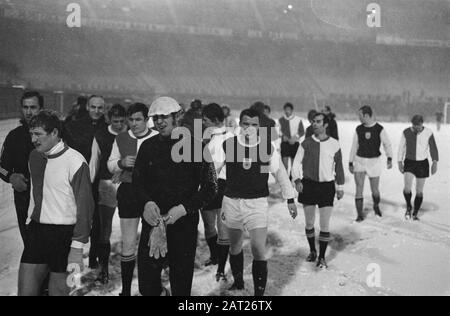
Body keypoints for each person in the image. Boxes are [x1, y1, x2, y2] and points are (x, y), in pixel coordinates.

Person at [132, 96, 218, 296]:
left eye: (164, 117)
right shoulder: (148, 147)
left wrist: (184, 209)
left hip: (183, 225)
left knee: (181, 284)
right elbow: (137, 183)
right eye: (155, 118)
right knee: (147, 285)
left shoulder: (197, 147)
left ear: (176, 116)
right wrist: (146, 203)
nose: (159, 122)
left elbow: (210, 187)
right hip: (153, 222)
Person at [215, 108, 297, 296]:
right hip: (232, 202)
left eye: (254, 124)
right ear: (240, 124)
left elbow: (281, 174)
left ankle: (259, 296)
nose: (249, 128)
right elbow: (213, 170)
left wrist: (290, 198)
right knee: (235, 246)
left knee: (259, 250)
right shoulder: (229, 145)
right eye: (246, 124)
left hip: (257, 203)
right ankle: (238, 282)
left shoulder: (267, 148)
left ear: (259, 126)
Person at [18, 110, 94, 296]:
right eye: (31, 134)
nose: (34, 139)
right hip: (38, 233)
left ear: (54, 133)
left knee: (59, 292)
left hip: (65, 237)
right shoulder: (34, 157)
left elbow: (86, 208)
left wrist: (77, 247)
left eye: (38, 134)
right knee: (25, 292)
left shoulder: (75, 161)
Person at [107, 103, 158, 296]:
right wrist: (121, 163)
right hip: (128, 192)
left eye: (138, 120)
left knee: (151, 243)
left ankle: (152, 289)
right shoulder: (121, 138)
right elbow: (110, 164)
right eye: (131, 120)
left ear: (146, 120)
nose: (134, 123)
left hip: (152, 194)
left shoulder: (156, 137)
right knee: (128, 242)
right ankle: (126, 291)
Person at [292, 112, 345, 269]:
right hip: (308, 185)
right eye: (313, 121)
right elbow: (295, 163)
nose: (314, 124)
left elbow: (339, 168)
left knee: (324, 224)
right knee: (309, 223)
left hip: (327, 187)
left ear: (326, 124)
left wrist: (340, 187)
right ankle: (313, 251)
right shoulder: (306, 143)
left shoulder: (335, 144)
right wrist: (297, 180)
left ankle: (322, 257)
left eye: (318, 121)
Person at [64, 95, 107, 269]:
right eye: (93, 107)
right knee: (75, 218)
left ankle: (94, 257)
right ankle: (71, 257)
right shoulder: (75, 126)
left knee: (98, 222)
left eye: (100, 108)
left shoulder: (107, 128)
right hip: (79, 179)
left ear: (104, 109)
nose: (96, 111)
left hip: (99, 181)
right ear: (88, 107)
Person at [89, 104, 128, 284]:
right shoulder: (101, 135)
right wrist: (89, 187)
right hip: (106, 184)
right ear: (109, 119)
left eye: (122, 121)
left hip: (128, 184)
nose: (119, 124)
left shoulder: (132, 133)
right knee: (105, 230)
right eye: (115, 121)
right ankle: (103, 270)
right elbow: (94, 163)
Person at [0, 91, 43, 243]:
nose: (29, 112)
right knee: (29, 243)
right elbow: (1, 167)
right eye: (25, 107)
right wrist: (11, 177)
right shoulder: (14, 136)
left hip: (50, 197)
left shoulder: (53, 134)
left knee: (51, 246)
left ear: (41, 109)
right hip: (23, 197)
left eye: (33, 107)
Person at [202, 103, 234, 281]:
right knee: (208, 225)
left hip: (223, 186)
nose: (203, 122)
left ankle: (221, 269)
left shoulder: (230, 137)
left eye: (206, 120)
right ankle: (215, 256)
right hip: (207, 187)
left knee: (222, 230)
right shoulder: (208, 137)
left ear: (214, 120)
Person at [349, 106, 393, 222]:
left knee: (375, 190)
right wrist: (350, 161)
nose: (359, 118)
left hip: (374, 162)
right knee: (359, 188)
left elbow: (386, 144)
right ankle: (359, 215)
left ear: (366, 115)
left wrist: (389, 158)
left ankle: (376, 206)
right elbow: (354, 146)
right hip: (360, 161)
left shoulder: (379, 129)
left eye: (360, 115)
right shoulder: (359, 129)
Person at [398, 115, 439, 221]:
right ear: (412, 124)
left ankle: (415, 212)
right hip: (409, 163)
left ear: (422, 123)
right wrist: (399, 161)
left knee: (419, 191)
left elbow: (433, 148)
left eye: (418, 125)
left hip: (422, 164)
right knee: (407, 188)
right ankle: (408, 207)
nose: (417, 128)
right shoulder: (406, 132)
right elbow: (401, 148)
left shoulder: (428, 132)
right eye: (414, 125)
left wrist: (434, 162)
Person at [279, 103, 305, 177]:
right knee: (285, 164)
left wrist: (295, 138)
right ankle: (285, 178)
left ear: (292, 110)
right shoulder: (281, 120)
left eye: (289, 110)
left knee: (294, 164)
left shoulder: (298, 119)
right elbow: (277, 131)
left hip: (295, 143)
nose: (287, 111)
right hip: (285, 143)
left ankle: (292, 177)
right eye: (286, 110)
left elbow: (302, 131)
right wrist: (284, 136)